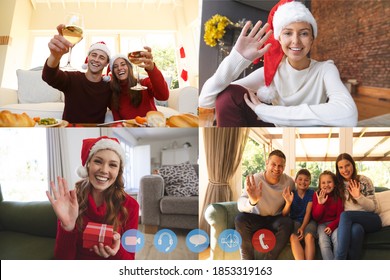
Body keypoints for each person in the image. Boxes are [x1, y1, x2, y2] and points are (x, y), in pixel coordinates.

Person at [198, 0, 357, 127]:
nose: (295, 41)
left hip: (300, 134)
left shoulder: (325, 69)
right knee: (228, 95)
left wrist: (266, 111)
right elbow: (207, 100)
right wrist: (237, 59)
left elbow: (348, 115)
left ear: (312, 39)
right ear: (279, 38)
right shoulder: (270, 73)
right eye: (288, 33)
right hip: (274, 129)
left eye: (304, 33)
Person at [46, 136, 139, 260]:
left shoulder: (131, 206)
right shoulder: (70, 201)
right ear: (87, 165)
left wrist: (116, 251)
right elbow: (62, 259)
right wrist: (67, 228)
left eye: (112, 165)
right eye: (98, 161)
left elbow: (130, 259)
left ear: (118, 172)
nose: (104, 170)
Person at [42, 24, 112, 124]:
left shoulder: (108, 87)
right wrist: (55, 56)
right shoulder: (73, 78)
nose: (96, 59)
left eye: (101, 57)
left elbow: (123, 104)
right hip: (69, 131)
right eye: (94, 55)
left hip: (95, 134)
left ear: (106, 63)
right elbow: (49, 76)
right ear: (88, 58)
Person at [235, 149, 295, 260]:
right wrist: (252, 201)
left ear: (284, 167)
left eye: (280, 166)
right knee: (240, 219)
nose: (277, 168)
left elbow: (292, 207)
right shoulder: (255, 179)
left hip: (276, 219)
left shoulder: (289, 182)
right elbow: (240, 204)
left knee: (288, 223)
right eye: (273, 164)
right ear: (267, 163)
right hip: (256, 217)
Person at [334, 153, 381, 259]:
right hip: (353, 223)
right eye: (341, 167)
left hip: (371, 219)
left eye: (347, 165)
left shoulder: (364, 180)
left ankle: (339, 259)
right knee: (356, 230)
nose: (344, 170)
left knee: (345, 215)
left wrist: (358, 196)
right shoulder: (338, 184)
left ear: (353, 165)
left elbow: (373, 208)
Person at [109, 49, 169, 120]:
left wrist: (152, 68)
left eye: (123, 64)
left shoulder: (144, 83)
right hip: (130, 129)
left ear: (129, 67)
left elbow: (163, 96)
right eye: (115, 67)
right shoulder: (114, 94)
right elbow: (117, 121)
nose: (119, 68)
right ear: (113, 72)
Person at [282, 168, 316, 260]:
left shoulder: (311, 193)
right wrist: (288, 203)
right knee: (293, 237)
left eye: (306, 180)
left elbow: (308, 213)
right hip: (295, 221)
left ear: (309, 182)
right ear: (295, 180)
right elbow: (284, 214)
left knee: (308, 236)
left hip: (309, 221)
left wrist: (303, 227)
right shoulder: (292, 193)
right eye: (300, 179)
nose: (303, 182)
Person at [312, 170, 344, 260]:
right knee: (323, 241)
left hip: (335, 223)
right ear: (319, 185)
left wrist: (331, 226)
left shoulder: (338, 196)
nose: (326, 185)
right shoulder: (316, 195)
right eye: (323, 183)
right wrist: (320, 204)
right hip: (321, 224)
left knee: (337, 239)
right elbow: (316, 217)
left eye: (329, 182)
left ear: (334, 184)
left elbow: (340, 216)